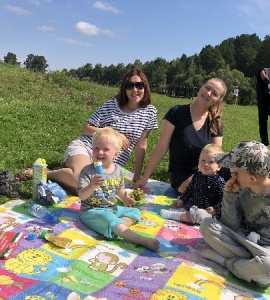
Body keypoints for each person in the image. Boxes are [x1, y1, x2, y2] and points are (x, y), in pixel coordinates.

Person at [16, 69, 158, 195]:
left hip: (108, 161)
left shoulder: (150, 112)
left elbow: (141, 145)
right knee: (81, 180)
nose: (135, 90)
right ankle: (45, 173)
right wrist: (113, 133)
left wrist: (137, 176)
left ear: (145, 87)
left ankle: (67, 175)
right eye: (130, 86)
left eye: (139, 85)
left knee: (94, 190)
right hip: (87, 148)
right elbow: (86, 128)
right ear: (124, 89)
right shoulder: (111, 105)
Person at [199, 141, 270, 287]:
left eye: (234, 173)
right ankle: (249, 267)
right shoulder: (241, 189)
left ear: (252, 179)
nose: (231, 177)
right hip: (245, 240)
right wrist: (228, 195)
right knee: (206, 224)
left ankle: (225, 261)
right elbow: (230, 225)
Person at [133, 77, 228, 195]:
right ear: (201, 87)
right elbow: (161, 148)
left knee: (236, 174)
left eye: (214, 93)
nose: (208, 93)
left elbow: (217, 157)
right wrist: (145, 178)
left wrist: (193, 178)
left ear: (218, 100)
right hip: (182, 179)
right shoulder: (176, 113)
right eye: (207, 88)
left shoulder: (215, 123)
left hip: (206, 174)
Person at [77, 127, 160, 251]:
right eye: (96, 148)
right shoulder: (88, 171)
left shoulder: (118, 171)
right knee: (109, 219)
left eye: (106, 149)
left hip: (112, 209)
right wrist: (92, 186)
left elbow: (119, 190)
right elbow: (82, 196)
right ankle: (141, 240)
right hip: (92, 211)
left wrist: (125, 198)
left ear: (116, 154)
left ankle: (116, 228)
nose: (100, 152)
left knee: (135, 212)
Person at [160, 144, 225, 224]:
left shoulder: (218, 181)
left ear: (218, 166)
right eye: (203, 160)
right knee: (181, 200)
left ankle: (175, 215)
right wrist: (182, 200)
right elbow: (189, 190)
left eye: (211, 162)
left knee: (199, 215)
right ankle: (183, 212)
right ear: (198, 161)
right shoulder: (197, 175)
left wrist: (215, 209)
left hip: (206, 212)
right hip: (193, 204)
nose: (206, 164)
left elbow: (224, 199)